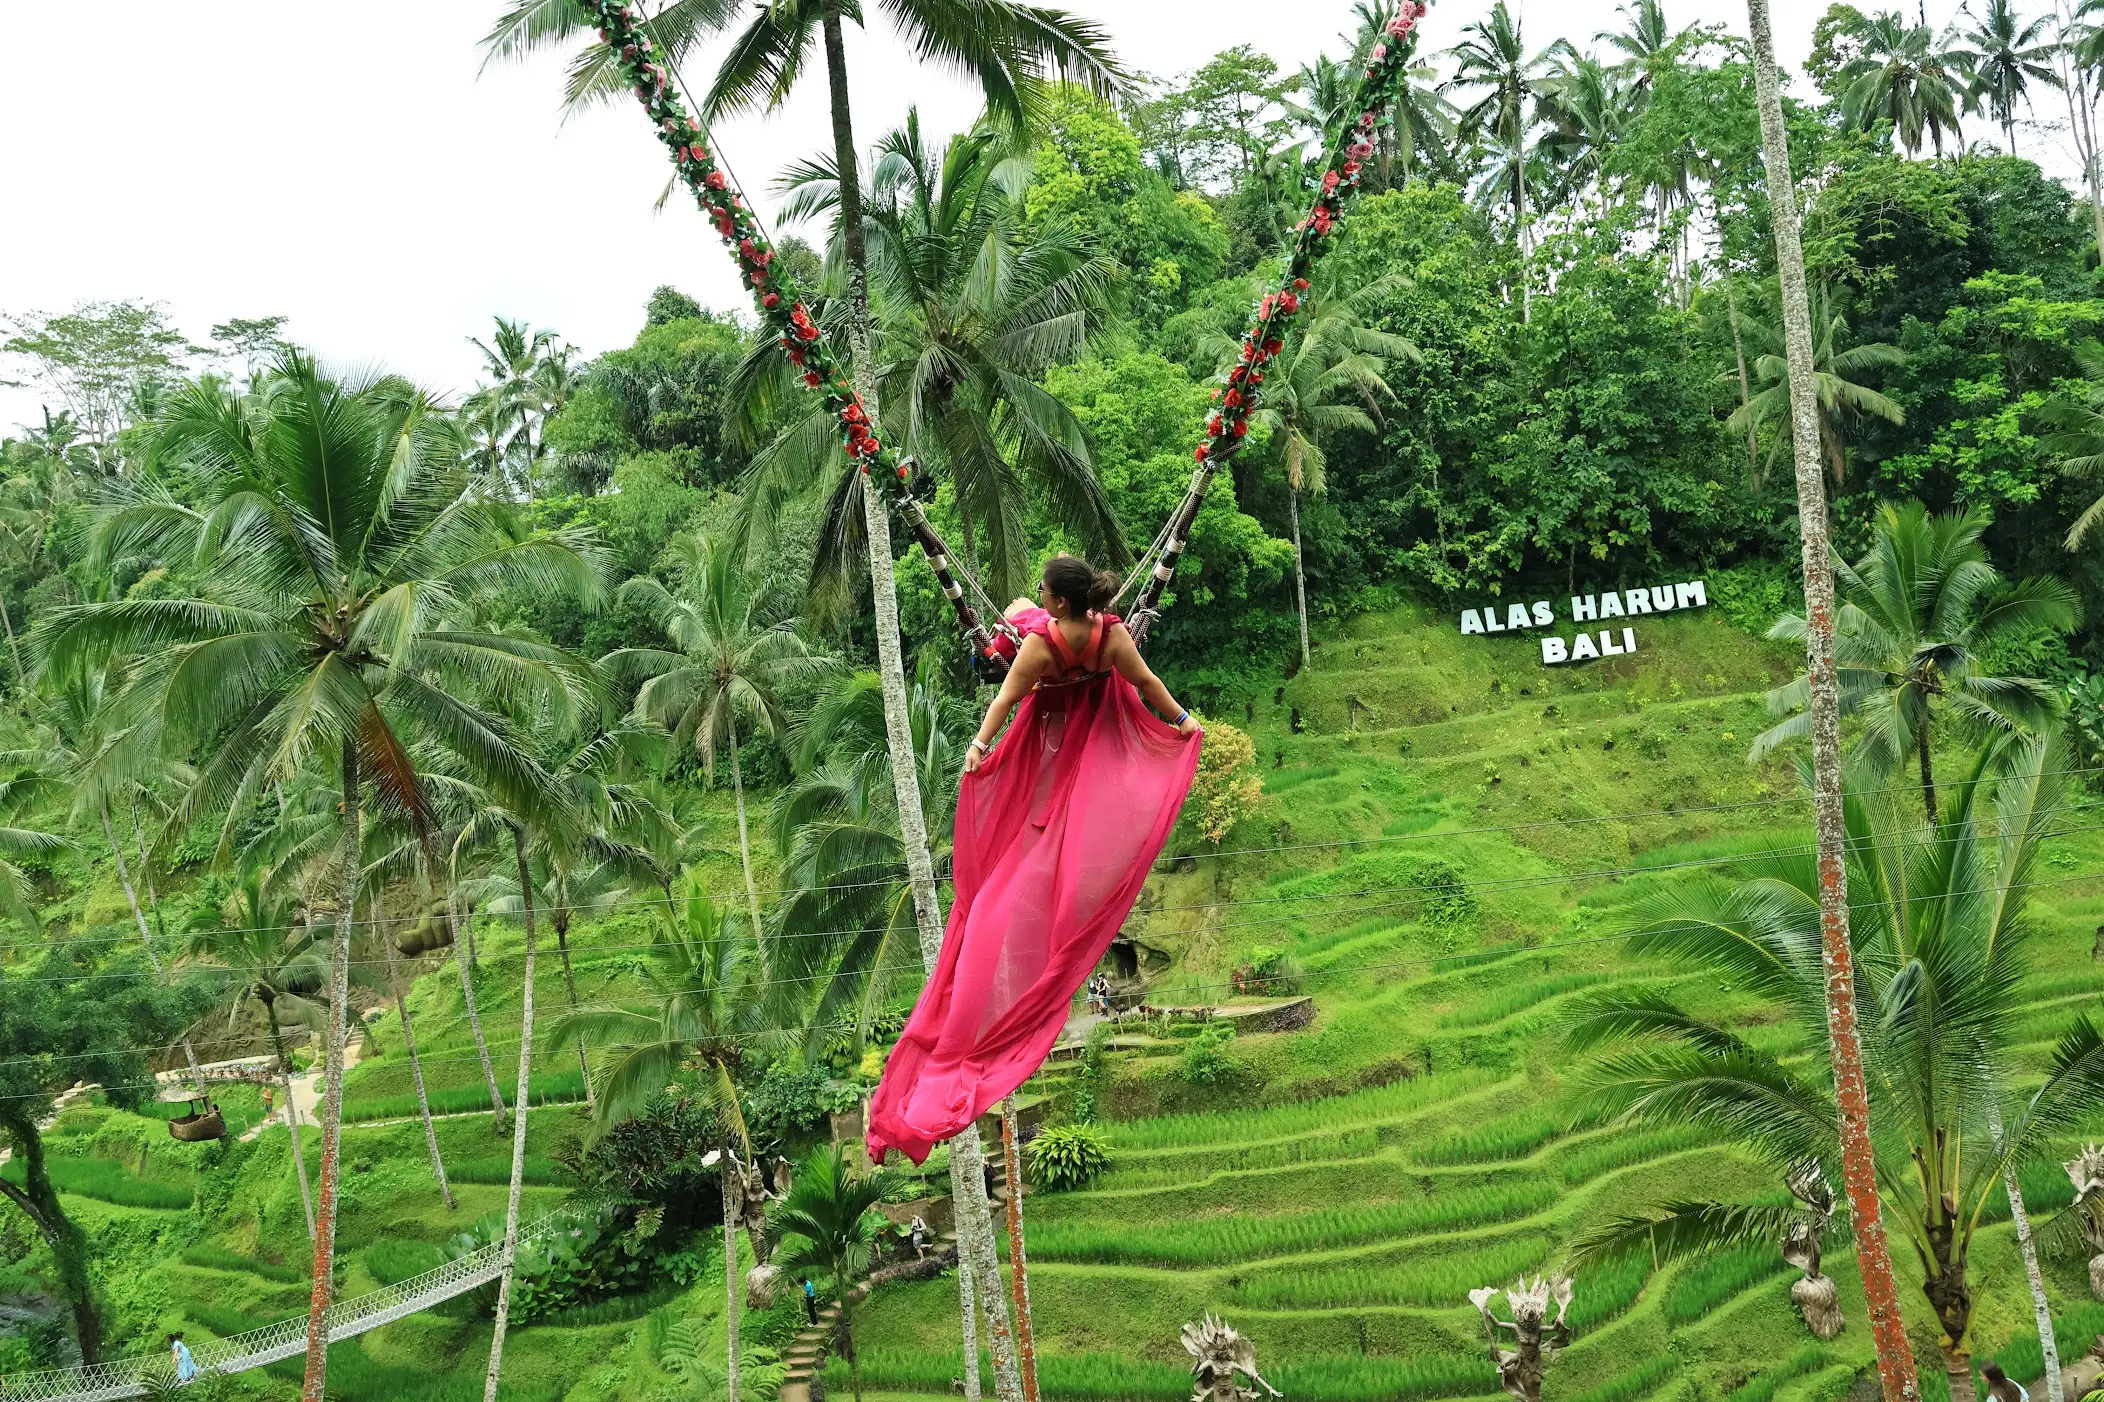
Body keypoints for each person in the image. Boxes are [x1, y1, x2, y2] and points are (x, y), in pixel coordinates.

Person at [867, 555, 1203, 1165]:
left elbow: (1004, 704)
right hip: (1096, 746)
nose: (1041, 598)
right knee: (1066, 845)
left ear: (1059, 601)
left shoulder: (1039, 646)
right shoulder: (1112, 636)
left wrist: (977, 746)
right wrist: (1183, 723)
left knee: (1018, 859)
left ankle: (962, 1042)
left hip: (1047, 750)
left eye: (1045, 591)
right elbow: (1150, 687)